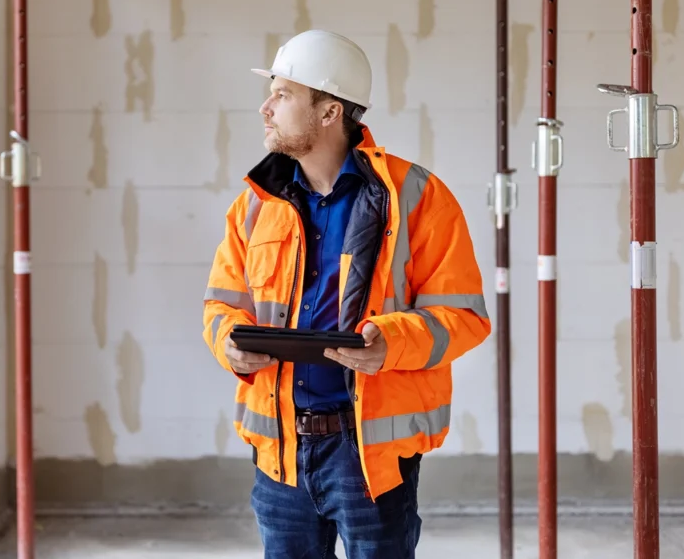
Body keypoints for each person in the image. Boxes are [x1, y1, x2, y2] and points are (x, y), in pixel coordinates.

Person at [202, 29, 491, 558]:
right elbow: (221, 305)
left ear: (329, 112)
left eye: (283, 94)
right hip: (280, 456)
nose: (265, 108)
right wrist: (228, 343)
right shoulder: (253, 205)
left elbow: (464, 315)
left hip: (370, 459)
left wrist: (390, 343)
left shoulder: (417, 197)